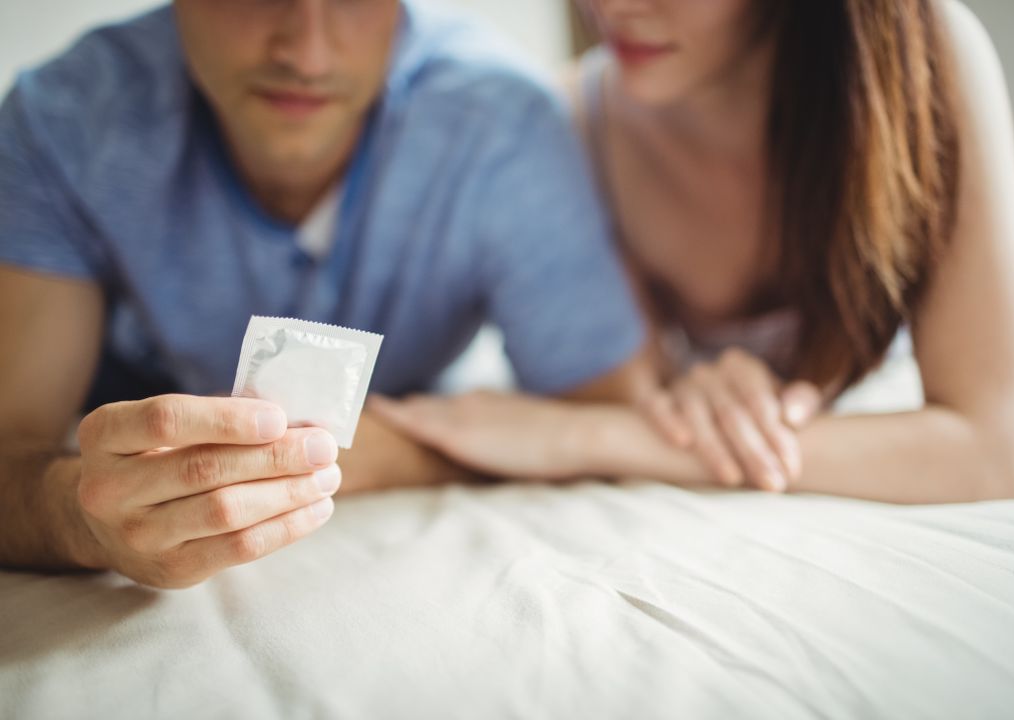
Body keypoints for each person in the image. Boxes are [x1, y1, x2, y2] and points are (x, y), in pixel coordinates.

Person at [0, 0, 654, 587]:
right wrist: (81, 517)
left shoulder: (500, 124)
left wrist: (375, 453)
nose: (307, 54)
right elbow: (10, 453)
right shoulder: (61, 122)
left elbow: (607, 420)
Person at [372, 0, 1014, 504]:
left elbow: (1004, 455)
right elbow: (625, 392)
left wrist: (590, 438)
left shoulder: (925, 56)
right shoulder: (565, 127)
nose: (614, 7)